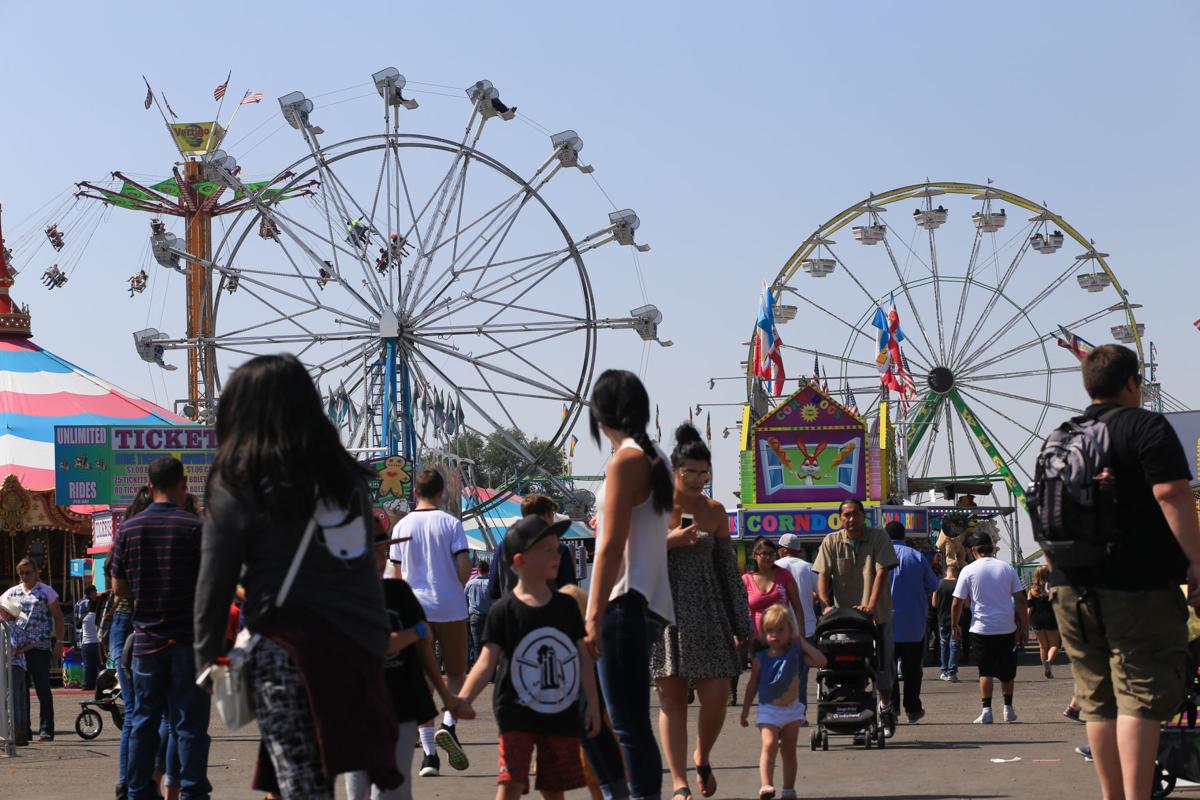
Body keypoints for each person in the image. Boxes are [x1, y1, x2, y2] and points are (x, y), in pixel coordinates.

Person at [195, 354, 400, 799]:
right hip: (358, 649)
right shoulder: (348, 476)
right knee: (334, 776)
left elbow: (214, 580)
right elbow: (366, 564)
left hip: (290, 650)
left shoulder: (241, 477)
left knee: (303, 787)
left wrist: (207, 660)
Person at [1049, 344, 1200, 800]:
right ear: (1133, 382)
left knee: (1097, 700)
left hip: (1070, 586)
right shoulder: (1146, 426)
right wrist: (1197, 559)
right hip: (1134, 582)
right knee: (1139, 693)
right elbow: (1172, 493)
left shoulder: (1062, 435)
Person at [457, 514, 601, 800]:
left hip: (560, 711)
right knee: (510, 782)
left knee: (553, 787)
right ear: (520, 562)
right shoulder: (504, 611)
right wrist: (463, 700)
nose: (557, 553)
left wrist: (593, 706)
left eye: (556, 546)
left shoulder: (566, 607)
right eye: (547, 549)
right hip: (515, 711)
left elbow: (583, 658)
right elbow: (486, 662)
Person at [584, 369, 674, 800]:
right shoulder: (657, 457)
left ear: (600, 414)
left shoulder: (627, 460)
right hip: (646, 602)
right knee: (608, 717)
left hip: (623, 601)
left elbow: (610, 546)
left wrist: (592, 613)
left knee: (623, 723)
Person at [652, 423, 752, 799]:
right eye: (689, 472)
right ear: (674, 472)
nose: (697, 479)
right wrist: (670, 541)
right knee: (671, 700)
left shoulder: (715, 511)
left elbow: (728, 571)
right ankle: (678, 783)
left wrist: (742, 622)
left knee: (716, 696)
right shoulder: (653, 508)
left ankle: (702, 755)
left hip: (710, 614)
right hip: (666, 615)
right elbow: (631, 559)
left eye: (703, 472)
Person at [344, 514, 467, 800]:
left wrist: (447, 698)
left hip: (399, 704)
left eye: (382, 550)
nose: (379, 556)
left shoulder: (399, 592)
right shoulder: (343, 597)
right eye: (370, 549)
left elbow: (424, 650)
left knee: (391, 791)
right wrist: (415, 631)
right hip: (354, 707)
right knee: (358, 790)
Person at [110, 457, 210, 800]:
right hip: (188, 640)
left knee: (143, 720)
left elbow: (118, 586)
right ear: (182, 485)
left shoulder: (130, 529)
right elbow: (210, 585)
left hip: (147, 642)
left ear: (150, 488)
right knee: (189, 723)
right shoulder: (195, 528)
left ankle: (138, 791)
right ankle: (193, 792)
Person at [390, 467, 472, 776]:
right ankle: (449, 725)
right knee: (456, 672)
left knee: (422, 680)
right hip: (450, 606)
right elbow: (464, 567)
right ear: (441, 493)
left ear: (415, 493)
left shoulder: (402, 526)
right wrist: (452, 586)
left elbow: (396, 572)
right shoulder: (451, 523)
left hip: (415, 611)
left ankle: (428, 757)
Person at [812, 499, 899, 735]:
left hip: (876, 616)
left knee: (883, 665)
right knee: (839, 664)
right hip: (842, 618)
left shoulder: (879, 538)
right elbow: (822, 575)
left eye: (854, 514)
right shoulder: (831, 541)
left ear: (863, 516)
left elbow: (881, 573)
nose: (850, 519)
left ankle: (886, 707)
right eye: (846, 515)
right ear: (840, 518)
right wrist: (826, 605)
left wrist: (870, 605)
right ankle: (846, 705)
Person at [739, 604, 826, 800]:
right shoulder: (760, 658)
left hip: (791, 711)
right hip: (769, 710)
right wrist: (745, 711)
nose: (775, 635)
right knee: (769, 744)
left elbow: (821, 661)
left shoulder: (795, 654)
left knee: (789, 750)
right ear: (763, 633)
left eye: (780, 630)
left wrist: (801, 642)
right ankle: (766, 785)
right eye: (770, 631)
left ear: (790, 631)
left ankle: (788, 789)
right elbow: (752, 685)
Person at [560, 583, 631, 800]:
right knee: (608, 779)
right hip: (610, 729)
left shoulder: (566, 647)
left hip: (583, 729)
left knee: (595, 780)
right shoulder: (601, 645)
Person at [950, 533, 1028, 724]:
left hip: (980, 629)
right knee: (1007, 671)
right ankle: (1008, 708)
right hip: (1006, 627)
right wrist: (1024, 626)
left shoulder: (968, 571)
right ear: (991, 549)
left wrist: (954, 624)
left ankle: (986, 711)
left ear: (974, 550)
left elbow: (956, 602)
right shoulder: (1007, 568)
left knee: (985, 671)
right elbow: (1020, 600)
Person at [112, 486, 152, 799]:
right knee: (140, 710)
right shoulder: (139, 538)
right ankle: (133, 781)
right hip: (134, 624)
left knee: (137, 711)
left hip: (124, 626)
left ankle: (132, 780)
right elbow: (120, 590)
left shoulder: (124, 537)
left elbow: (116, 586)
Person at [2, 557, 64, 742]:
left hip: (40, 646)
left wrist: (59, 642)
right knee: (21, 690)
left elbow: (58, 617)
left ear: (36, 572)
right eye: (22, 573)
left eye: (28, 572)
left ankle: (46, 729)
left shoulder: (46, 592)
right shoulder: (13, 593)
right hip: (19, 650)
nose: (25, 576)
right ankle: (24, 730)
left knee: (42, 688)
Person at [886, 521, 939, 724]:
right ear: (904, 536)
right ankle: (913, 708)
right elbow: (933, 585)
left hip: (886, 623)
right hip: (913, 623)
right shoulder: (916, 557)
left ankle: (892, 707)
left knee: (888, 668)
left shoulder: (878, 556)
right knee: (912, 669)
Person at [488, 494, 578, 598]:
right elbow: (569, 590)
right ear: (547, 515)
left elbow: (492, 590)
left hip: (512, 611)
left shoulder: (502, 547)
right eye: (552, 515)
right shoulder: (558, 549)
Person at [743, 537, 805, 639]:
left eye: (772, 553)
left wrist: (801, 632)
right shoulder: (746, 579)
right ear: (754, 556)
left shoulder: (785, 575)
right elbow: (740, 612)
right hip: (756, 640)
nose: (769, 557)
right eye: (764, 553)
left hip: (783, 638)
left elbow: (797, 606)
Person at [0, 594, 35, 746]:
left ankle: (13, 734)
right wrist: (21, 651)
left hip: (11, 666)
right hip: (21, 666)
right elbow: (34, 642)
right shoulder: (19, 627)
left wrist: (10, 653)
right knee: (20, 699)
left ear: (6, 613)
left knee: (11, 699)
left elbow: (11, 646)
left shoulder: (6, 628)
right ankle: (22, 734)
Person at [1027, 565, 1060, 679]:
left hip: (1036, 619)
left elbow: (1029, 608)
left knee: (1043, 646)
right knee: (1055, 644)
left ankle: (1046, 669)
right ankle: (1049, 662)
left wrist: (1027, 621)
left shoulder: (1032, 591)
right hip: (1051, 618)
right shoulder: (1052, 589)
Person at [933, 565, 961, 682]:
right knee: (954, 644)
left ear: (946, 573)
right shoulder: (959, 584)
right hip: (956, 620)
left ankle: (944, 671)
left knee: (943, 644)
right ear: (956, 573)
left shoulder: (938, 584)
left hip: (942, 619)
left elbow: (934, 603)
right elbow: (966, 604)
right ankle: (952, 672)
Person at [465, 559, 493, 667]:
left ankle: (478, 670)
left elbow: (464, 601)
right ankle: (491, 672)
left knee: (476, 646)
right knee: (488, 645)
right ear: (488, 570)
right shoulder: (490, 584)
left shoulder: (470, 584)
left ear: (477, 570)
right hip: (488, 617)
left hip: (474, 618)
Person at [79, 596, 101, 691]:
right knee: (99, 665)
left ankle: (86, 684)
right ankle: (101, 683)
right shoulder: (98, 617)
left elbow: (78, 625)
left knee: (87, 665)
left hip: (86, 643)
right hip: (97, 643)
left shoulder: (85, 617)